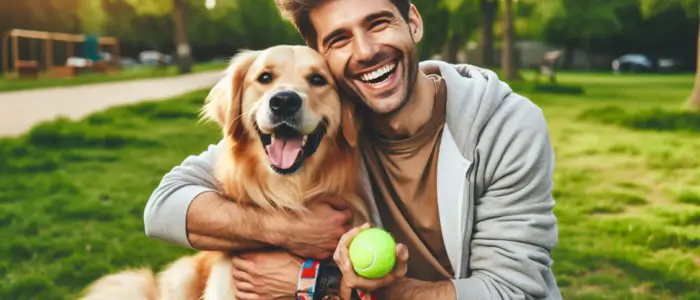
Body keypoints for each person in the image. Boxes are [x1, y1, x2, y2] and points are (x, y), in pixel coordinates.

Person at [143, 0, 562, 299]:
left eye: (378, 23)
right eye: (340, 38)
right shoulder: (322, 130)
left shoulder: (504, 127)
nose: (365, 51)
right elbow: (163, 206)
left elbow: (512, 291)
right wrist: (291, 231)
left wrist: (317, 282)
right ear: (322, 52)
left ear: (413, 21)